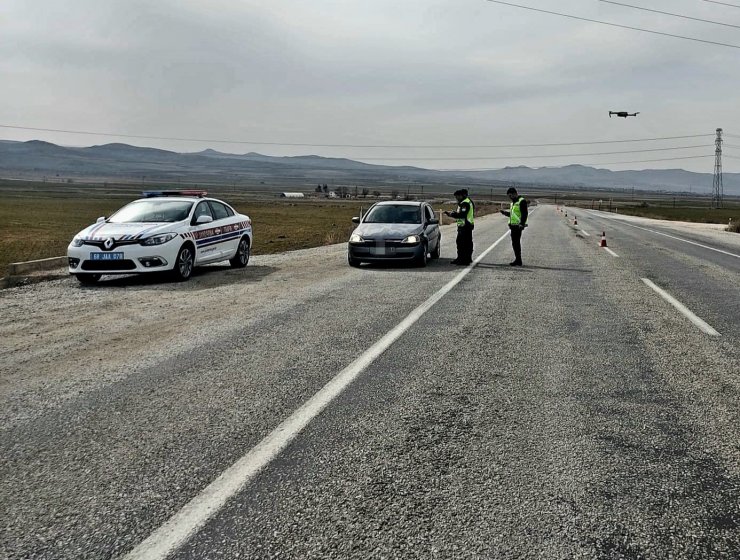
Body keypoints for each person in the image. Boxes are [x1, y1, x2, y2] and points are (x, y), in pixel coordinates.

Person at [444, 189, 474, 265]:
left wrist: (452, 215)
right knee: (466, 243)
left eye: (457, 196)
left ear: (462, 195)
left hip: (465, 226)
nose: (456, 198)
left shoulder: (465, 203)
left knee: (462, 243)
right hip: (466, 225)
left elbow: (462, 215)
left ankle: (463, 260)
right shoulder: (468, 202)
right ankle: (465, 258)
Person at [500, 187, 528, 266]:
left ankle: (518, 260)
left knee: (516, 243)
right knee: (515, 243)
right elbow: (513, 215)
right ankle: (518, 259)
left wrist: (522, 224)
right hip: (513, 226)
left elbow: (524, 214)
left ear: (515, 194)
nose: (510, 197)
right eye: (509, 196)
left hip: (518, 226)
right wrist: (505, 213)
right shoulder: (513, 203)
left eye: (510, 195)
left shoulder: (521, 201)